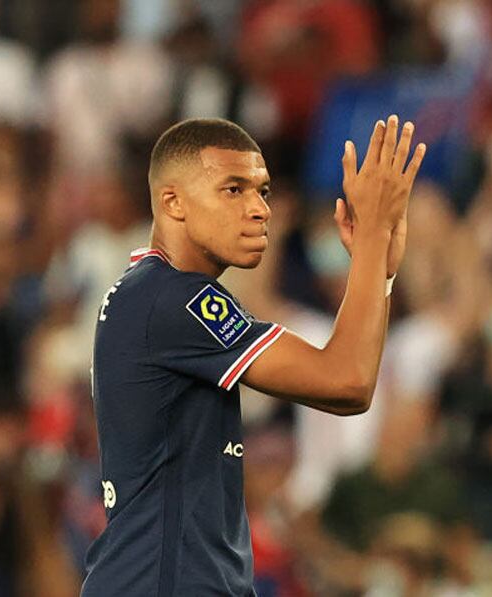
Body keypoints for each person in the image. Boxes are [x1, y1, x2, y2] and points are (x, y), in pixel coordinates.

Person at [81, 116, 426, 595]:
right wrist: (371, 241)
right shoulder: (176, 299)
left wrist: (378, 271)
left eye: (262, 192)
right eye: (233, 189)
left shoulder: (153, 294)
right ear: (173, 202)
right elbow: (346, 381)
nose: (260, 209)